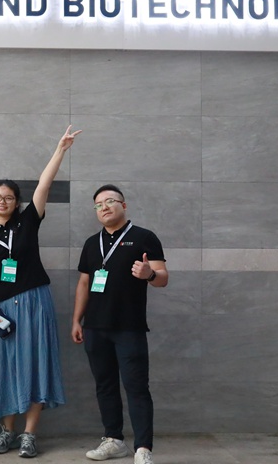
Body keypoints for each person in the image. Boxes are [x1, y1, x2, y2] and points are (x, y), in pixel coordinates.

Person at [0, 125, 82, 458]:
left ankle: (29, 434)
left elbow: (44, 184)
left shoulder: (28, 222)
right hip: (2, 310)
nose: (2, 201)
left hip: (35, 302)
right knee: (6, 368)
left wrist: (60, 150)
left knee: (35, 365)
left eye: (9, 197)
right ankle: (7, 431)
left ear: (17, 202)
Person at [72, 185, 168, 464]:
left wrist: (149, 274)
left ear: (123, 206)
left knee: (136, 386)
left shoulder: (144, 237)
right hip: (95, 327)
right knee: (105, 385)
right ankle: (113, 440)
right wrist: (77, 320)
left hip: (129, 327)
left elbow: (163, 277)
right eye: (98, 204)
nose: (104, 207)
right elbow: (84, 283)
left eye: (110, 201)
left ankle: (143, 449)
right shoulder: (92, 243)